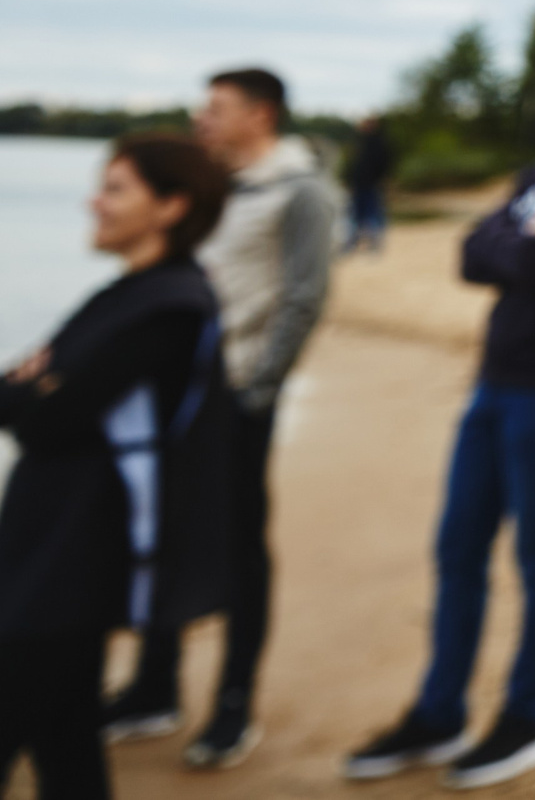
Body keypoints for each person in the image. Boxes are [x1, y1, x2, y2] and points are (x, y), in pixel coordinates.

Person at [342, 59, 535, 789]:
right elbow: (471, 254)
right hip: (493, 382)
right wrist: (527, 240)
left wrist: (524, 245)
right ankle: (439, 708)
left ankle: (527, 715)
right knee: (458, 546)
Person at [106, 68, 336, 769]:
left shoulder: (301, 191)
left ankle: (234, 703)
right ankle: (155, 685)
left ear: (260, 115)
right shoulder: (212, 182)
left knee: (238, 547)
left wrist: (258, 389)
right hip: (175, 393)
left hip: (237, 396)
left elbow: (304, 296)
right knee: (163, 531)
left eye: (217, 109)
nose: (202, 119)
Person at [3, 135, 235, 800]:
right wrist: (34, 386)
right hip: (52, 541)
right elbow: (28, 388)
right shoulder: (129, 294)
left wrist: (35, 387)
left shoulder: (169, 304)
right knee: (66, 740)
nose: (93, 202)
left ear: (170, 206)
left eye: (114, 189)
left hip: (78, 552)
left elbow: (51, 412)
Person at [343, 116, 395, 255]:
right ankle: (353, 242)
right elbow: (352, 165)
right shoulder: (359, 142)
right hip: (358, 183)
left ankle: (373, 243)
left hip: (372, 184)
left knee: (372, 214)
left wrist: (380, 181)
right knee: (355, 214)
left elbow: (384, 165)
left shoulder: (378, 143)